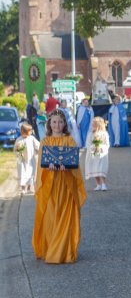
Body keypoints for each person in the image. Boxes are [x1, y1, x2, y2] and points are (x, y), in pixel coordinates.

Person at [32, 109, 86, 263]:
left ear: (64, 124)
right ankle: (50, 248)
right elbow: (40, 166)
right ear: (49, 123)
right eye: (54, 122)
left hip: (66, 185)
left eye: (60, 122)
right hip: (50, 185)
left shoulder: (70, 141)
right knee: (51, 216)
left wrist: (68, 167)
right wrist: (48, 167)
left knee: (65, 215)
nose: (57, 125)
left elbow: (75, 165)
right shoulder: (45, 142)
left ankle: (63, 252)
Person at [85, 116, 110, 191]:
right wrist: (92, 148)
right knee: (94, 168)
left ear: (98, 125)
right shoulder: (90, 134)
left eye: (93, 125)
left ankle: (103, 184)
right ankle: (98, 184)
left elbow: (107, 144)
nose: (92, 126)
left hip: (101, 154)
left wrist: (101, 147)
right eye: (92, 125)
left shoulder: (104, 134)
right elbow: (88, 144)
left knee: (101, 168)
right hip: (93, 154)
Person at [13, 123, 40, 194]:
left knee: (31, 173)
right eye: (30, 131)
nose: (31, 132)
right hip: (22, 160)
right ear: (24, 131)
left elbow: (38, 146)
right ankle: (23, 188)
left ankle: (29, 188)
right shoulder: (19, 139)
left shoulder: (32, 138)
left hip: (31, 160)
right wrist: (18, 151)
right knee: (22, 173)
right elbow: (15, 149)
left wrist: (38, 150)